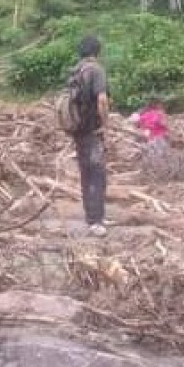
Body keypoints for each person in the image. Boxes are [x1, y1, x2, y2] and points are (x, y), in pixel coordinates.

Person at [70, 36, 110, 236]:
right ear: (97, 51)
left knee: (86, 172)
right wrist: (105, 124)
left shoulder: (76, 70)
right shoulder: (97, 70)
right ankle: (96, 220)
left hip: (78, 129)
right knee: (97, 173)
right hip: (93, 129)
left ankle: (91, 215)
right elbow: (101, 100)